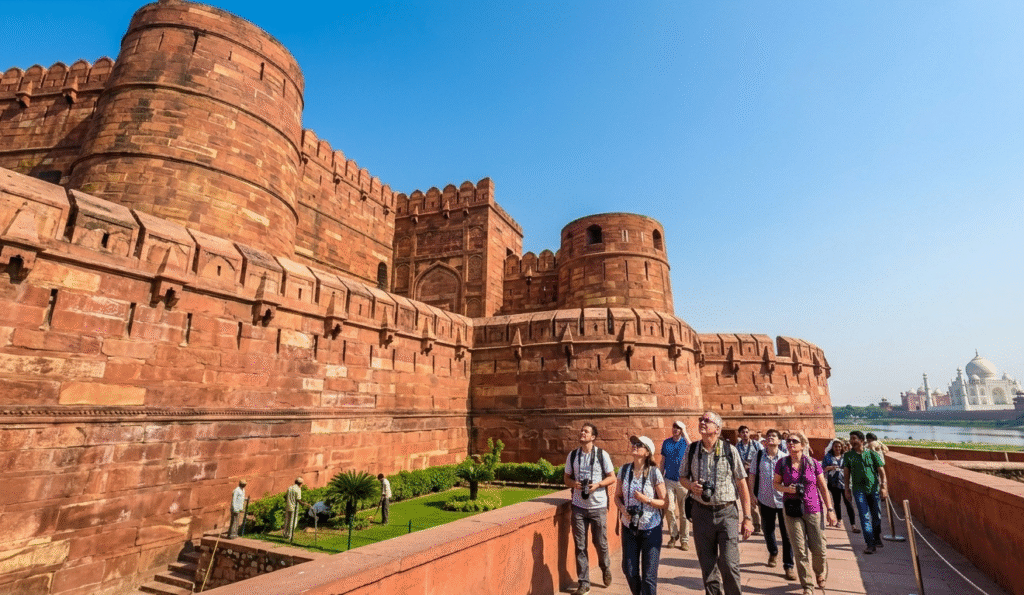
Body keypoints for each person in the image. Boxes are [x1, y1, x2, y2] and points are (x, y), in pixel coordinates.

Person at [680, 411, 753, 595]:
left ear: (718, 429)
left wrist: (747, 517)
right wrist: (691, 486)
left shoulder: (730, 450)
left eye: (707, 420)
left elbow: (741, 484)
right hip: (701, 513)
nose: (702, 422)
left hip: (726, 513)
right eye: (701, 419)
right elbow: (682, 477)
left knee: (729, 563)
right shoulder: (692, 450)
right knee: (707, 565)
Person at [774, 432, 837, 595]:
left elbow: (823, 487)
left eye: (794, 441)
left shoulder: (812, 463)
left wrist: (830, 509)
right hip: (792, 510)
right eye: (788, 441)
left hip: (813, 509)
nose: (790, 443)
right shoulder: (782, 463)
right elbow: (776, 484)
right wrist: (787, 489)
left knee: (819, 548)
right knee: (799, 550)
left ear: (803, 445)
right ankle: (807, 585)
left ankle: (820, 571)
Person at [565, 423, 617, 595]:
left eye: (586, 431)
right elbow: (566, 478)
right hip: (578, 506)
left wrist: (598, 485)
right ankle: (584, 582)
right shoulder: (573, 455)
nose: (582, 433)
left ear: (593, 437)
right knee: (580, 546)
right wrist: (574, 484)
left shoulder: (602, 455)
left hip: (598, 506)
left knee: (600, 543)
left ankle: (605, 567)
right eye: (581, 430)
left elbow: (612, 477)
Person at [616, 435, 668, 595]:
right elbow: (617, 496)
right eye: (634, 443)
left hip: (651, 529)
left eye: (639, 444)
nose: (635, 446)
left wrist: (646, 500)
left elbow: (665, 502)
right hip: (629, 527)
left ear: (647, 452)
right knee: (629, 570)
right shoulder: (624, 470)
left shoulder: (654, 472)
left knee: (649, 577)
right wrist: (622, 509)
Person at [747, 429, 795, 580]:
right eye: (768, 436)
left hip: (783, 500)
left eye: (774, 436)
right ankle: (773, 552)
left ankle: (788, 565)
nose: (770, 438)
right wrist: (751, 494)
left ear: (780, 441)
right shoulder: (759, 455)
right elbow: (752, 475)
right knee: (768, 530)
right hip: (765, 499)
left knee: (787, 534)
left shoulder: (785, 458)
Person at [843, 431, 888, 554]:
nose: (851, 441)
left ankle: (876, 536)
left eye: (854, 438)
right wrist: (847, 489)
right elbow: (846, 473)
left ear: (862, 441)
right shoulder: (848, 456)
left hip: (873, 489)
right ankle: (870, 543)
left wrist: (883, 487)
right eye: (851, 439)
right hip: (858, 490)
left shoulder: (872, 454)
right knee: (864, 517)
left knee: (877, 516)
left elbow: (881, 471)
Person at [660, 420, 691, 551]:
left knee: (684, 513)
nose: (675, 429)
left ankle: (684, 539)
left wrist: (685, 433)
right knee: (669, 509)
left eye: (678, 428)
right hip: (669, 479)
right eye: (674, 427)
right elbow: (663, 461)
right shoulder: (666, 442)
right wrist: (660, 477)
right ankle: (673, 535)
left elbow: (692, 448)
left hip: (683, 481)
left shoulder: (685, 442)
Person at [822, 439, 859, 533]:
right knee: (837, 502)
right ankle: (839, 520)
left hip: (845, 483)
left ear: (842, 447)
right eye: (835, 446)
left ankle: (853, 525)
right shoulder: (828, 457)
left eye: (839, 446)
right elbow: (823, 468)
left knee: (848, 503)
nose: (837, 448)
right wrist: (831, 467)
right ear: (832, 447)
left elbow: (852, 467)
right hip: (833, 483)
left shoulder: (846, 456)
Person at [735, 425, 764, 534]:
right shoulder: (737, 446)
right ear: (739, 434)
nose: (745, 434)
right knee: (749, 498)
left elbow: (763, 456)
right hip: (745, 476)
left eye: (747, 432)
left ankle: (764, 523)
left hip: (757, 475)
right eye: (743, 432)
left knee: (760, 499)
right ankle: (756, 525)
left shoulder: (756, 445)